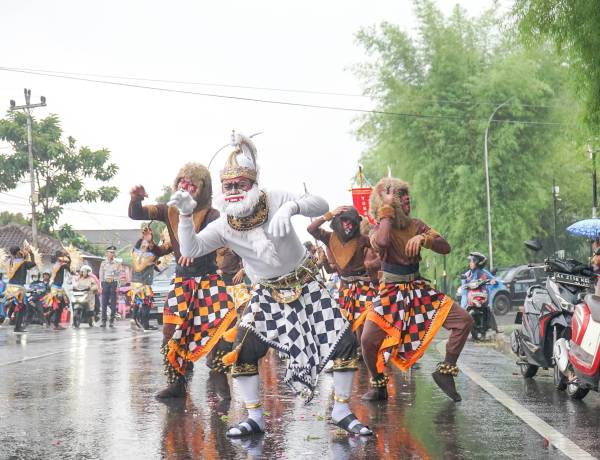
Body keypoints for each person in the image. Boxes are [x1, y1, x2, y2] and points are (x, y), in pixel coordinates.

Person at [169, 131, 372, 437]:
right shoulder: (224, 224)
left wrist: (292, 209)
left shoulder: (275, 198)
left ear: (254, 184)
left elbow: (320, 202)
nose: (235, 189)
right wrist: (185, 215)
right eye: (229, 186)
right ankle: (254, 418)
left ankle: (342, 410)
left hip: (306, 285)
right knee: (243, 350)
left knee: (343, 343)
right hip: (268, 294)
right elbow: (190, 250)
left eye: (241, 184)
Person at [360, 177, 474, 402]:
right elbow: (382, 244)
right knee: (366, 341)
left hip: (418, 289)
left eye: (407, 197)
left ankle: (445, 372)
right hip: (390, 293)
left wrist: (424, 238)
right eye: (400, 198)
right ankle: (379, 385)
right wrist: (385, 209)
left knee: (465, 321)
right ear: (388, 205)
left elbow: (445, 247)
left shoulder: (417, 224)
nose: (406, 201)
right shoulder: (377, 228)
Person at [129, 162, 235, 399]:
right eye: (181, 183)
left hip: (208, 281)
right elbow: (136, 214)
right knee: (170, 331)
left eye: (191, 185)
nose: (184, 188)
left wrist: (195, 252)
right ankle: (177, 383)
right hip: (182, 283)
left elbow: (214, 242)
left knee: (217, 332)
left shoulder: (212, 214)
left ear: (202, 189)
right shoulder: (169, 210)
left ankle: (220, 381)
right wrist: (135, 198)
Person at [307, 206, 377, 336]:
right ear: (337, 221)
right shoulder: (329, 238)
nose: (348, 225)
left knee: (367, 320)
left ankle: (367, 347)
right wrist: (329, 215)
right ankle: (359, 350)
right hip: (345, 289)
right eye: (345, 220)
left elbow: (382, 251)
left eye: (352, 222)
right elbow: (311, 229)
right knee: (349, 323)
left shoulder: (362, 240)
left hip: (365, 287)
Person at [128, 227, 162, 331]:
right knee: (146, 304)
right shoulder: (149, 256)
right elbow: (158, 253)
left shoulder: (134, 253)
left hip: (135, 284)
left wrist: (144, 238)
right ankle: (144, 324)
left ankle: (134, 320)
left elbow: (156, 265)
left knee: (138, 303)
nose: (146, 246)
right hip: (143, 284)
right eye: (144, 245)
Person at [460, 252, 501, 334]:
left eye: (471, 261)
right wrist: (464, 283)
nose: (470, 263)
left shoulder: (484, 272)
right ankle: (462, 328)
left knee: (488, 309)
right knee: (463, 310)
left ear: (477, 262)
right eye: (470, 261)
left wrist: (494, 281)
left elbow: (494, 280)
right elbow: (463, 286)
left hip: (482, 295)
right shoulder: (468, 274)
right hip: (470, 297)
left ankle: (495, 328)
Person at [1, 244, 37, 332]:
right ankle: (17, 327)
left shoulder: (9, 261)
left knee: (14, 303)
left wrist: (24, 255)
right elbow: (33, 263)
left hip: (10, 287)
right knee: (22, 307)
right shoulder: (22, 262)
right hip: (19, 288)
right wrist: (31, 254)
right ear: (18, 252)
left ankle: (9, 315)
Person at [43, 249, 72, 330]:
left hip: (57, 288)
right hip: (56, 289)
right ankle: (54, 323)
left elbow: (68, 266)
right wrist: (69, 256)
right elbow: (69, 267)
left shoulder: (58, 264)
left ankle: (49, 317)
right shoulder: (60, 265)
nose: (64, 257)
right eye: (63, 256)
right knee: (59, 306)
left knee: (59, 306)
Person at [99, 246, 119, 328]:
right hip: (105, 283)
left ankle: (112, 321)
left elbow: (118, 275)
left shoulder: (116, 264)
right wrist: (101, 285)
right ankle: (103, 321)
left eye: (113, 252)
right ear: (107, 253)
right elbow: (101, 275)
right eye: (110, 252)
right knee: (104, 303)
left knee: (113, 303)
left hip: (113, 283)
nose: (112, 254)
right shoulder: (103, 263)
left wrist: (118, 286)